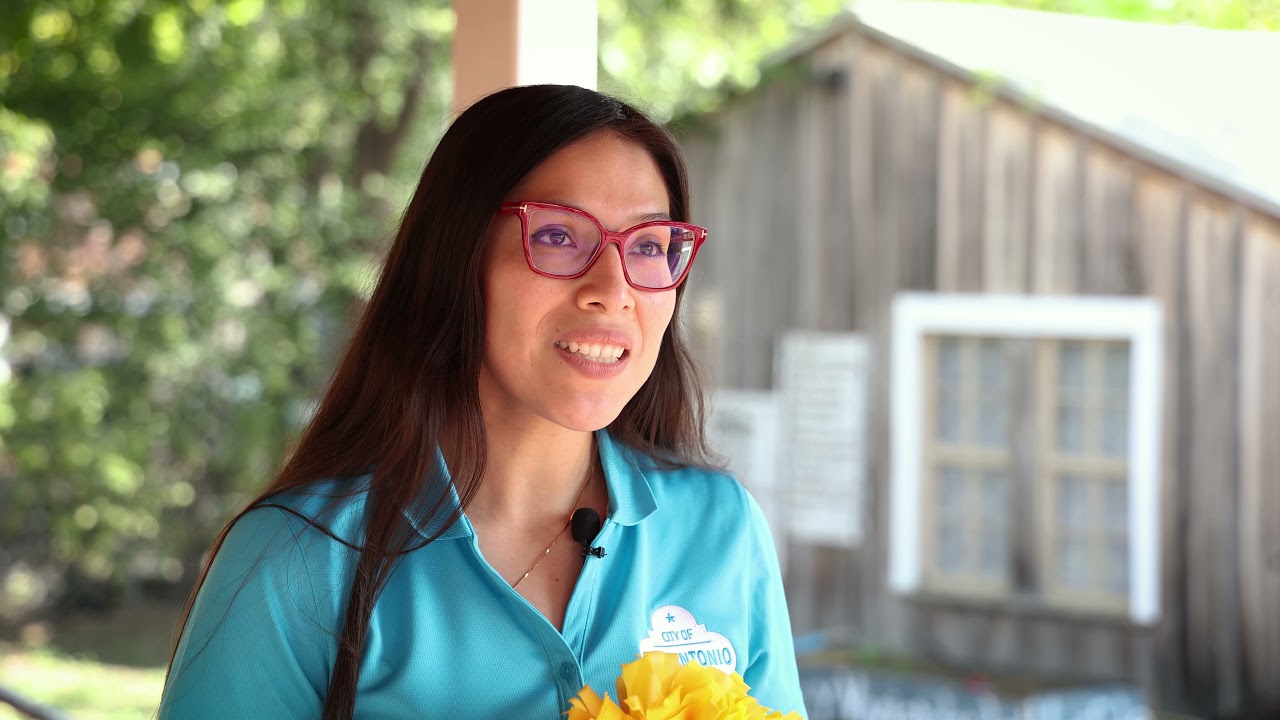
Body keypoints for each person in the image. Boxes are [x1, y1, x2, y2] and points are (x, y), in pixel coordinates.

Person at [159, 84, 807, 719]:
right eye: (557, 236)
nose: (614, 291)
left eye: (648, 246)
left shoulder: (722, 530)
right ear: (456, 258)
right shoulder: (296, 558)